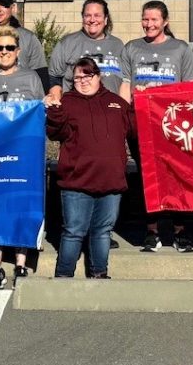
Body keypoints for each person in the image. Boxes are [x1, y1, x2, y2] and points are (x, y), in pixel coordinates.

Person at [119, 0, 193, 252]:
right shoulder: (131, 48)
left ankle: (180, 231)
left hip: (172, 125)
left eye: (154, 19)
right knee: (147, 178)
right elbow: (125, 84)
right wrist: (124, 115)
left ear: (165, 21)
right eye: (145, 19)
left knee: (176, 176)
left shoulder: (180, 49)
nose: (149, 24)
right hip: (140, 122)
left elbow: (190, 87)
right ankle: (151, 231)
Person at [46, 58, 136, 279]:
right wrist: (55, 111)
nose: (83, 81)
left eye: (88, 76)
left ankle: (99, 274)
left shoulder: (116, 103)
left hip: (111, 181)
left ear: (98, 77)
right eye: (78, 77)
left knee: (102, 232)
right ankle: (63, 276)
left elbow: (134, 131)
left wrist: (140, 101)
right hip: (77, 182)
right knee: (73, 232)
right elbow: (56, 133)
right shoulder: (67, 102)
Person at [0, 26, 45, 289]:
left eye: (8, 48)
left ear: (18, 51)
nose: (3, 52)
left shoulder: (30, 78)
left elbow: (40, 115)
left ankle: (20, 265)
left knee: (21, 209)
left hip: (23, 156)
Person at [48, 0, 124, 99]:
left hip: (110, 109)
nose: (92, 20)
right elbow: (54, 78)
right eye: (88, 15)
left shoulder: (117, 45)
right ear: (83, 18)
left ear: (105, 19)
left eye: (97, 15)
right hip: (76, 109)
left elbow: (125, 81)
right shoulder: (67, 43)